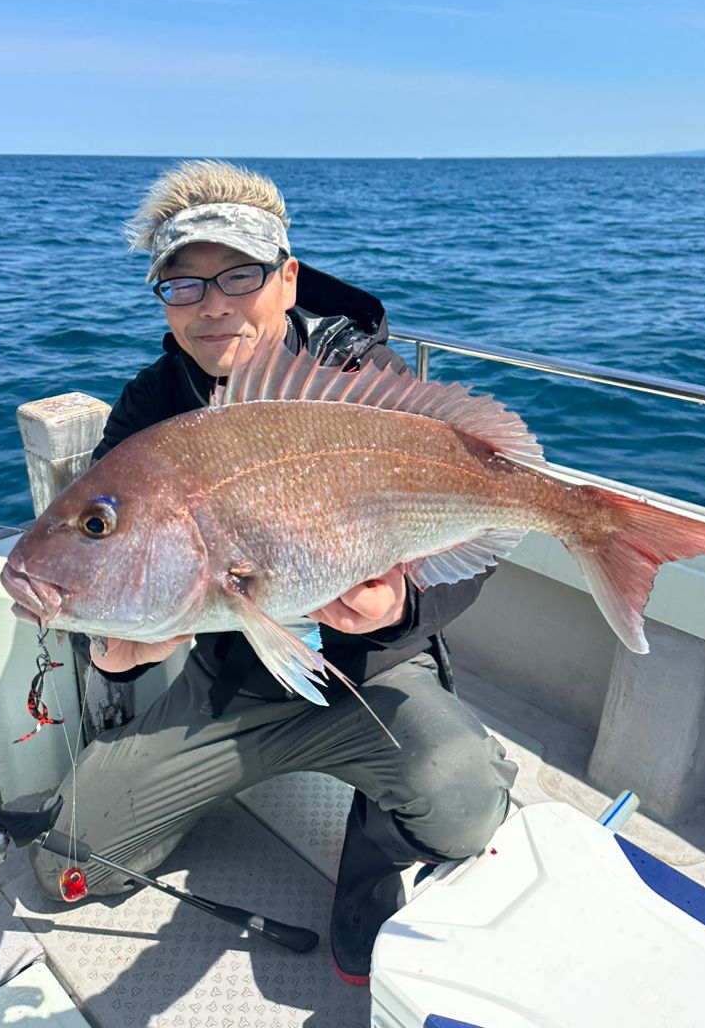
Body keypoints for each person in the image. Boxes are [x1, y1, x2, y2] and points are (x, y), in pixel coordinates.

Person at [29, 159, 517, 984]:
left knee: (462, 802)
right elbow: (111, 561)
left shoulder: (363, 385)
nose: (213, 303)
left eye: (239, 274)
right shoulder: (151, 408)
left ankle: (372, 867)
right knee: (68, 863)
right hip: (230, 681)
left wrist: (397, 603)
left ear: (288, 279)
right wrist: (111, 651)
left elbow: (474, 532)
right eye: (181, 286)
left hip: (374, 674)